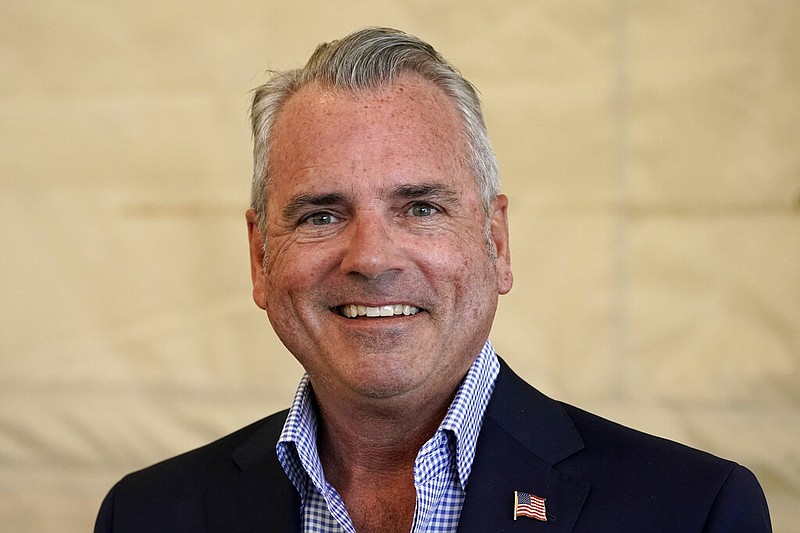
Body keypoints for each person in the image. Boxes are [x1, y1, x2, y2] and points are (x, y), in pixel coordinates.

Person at [94, 27, 771, 532]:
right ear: (259, 259)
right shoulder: (147, 514)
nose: (372, 257)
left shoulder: (692, 510)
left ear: (496, 241)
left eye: (420, 207)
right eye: (322, 214)